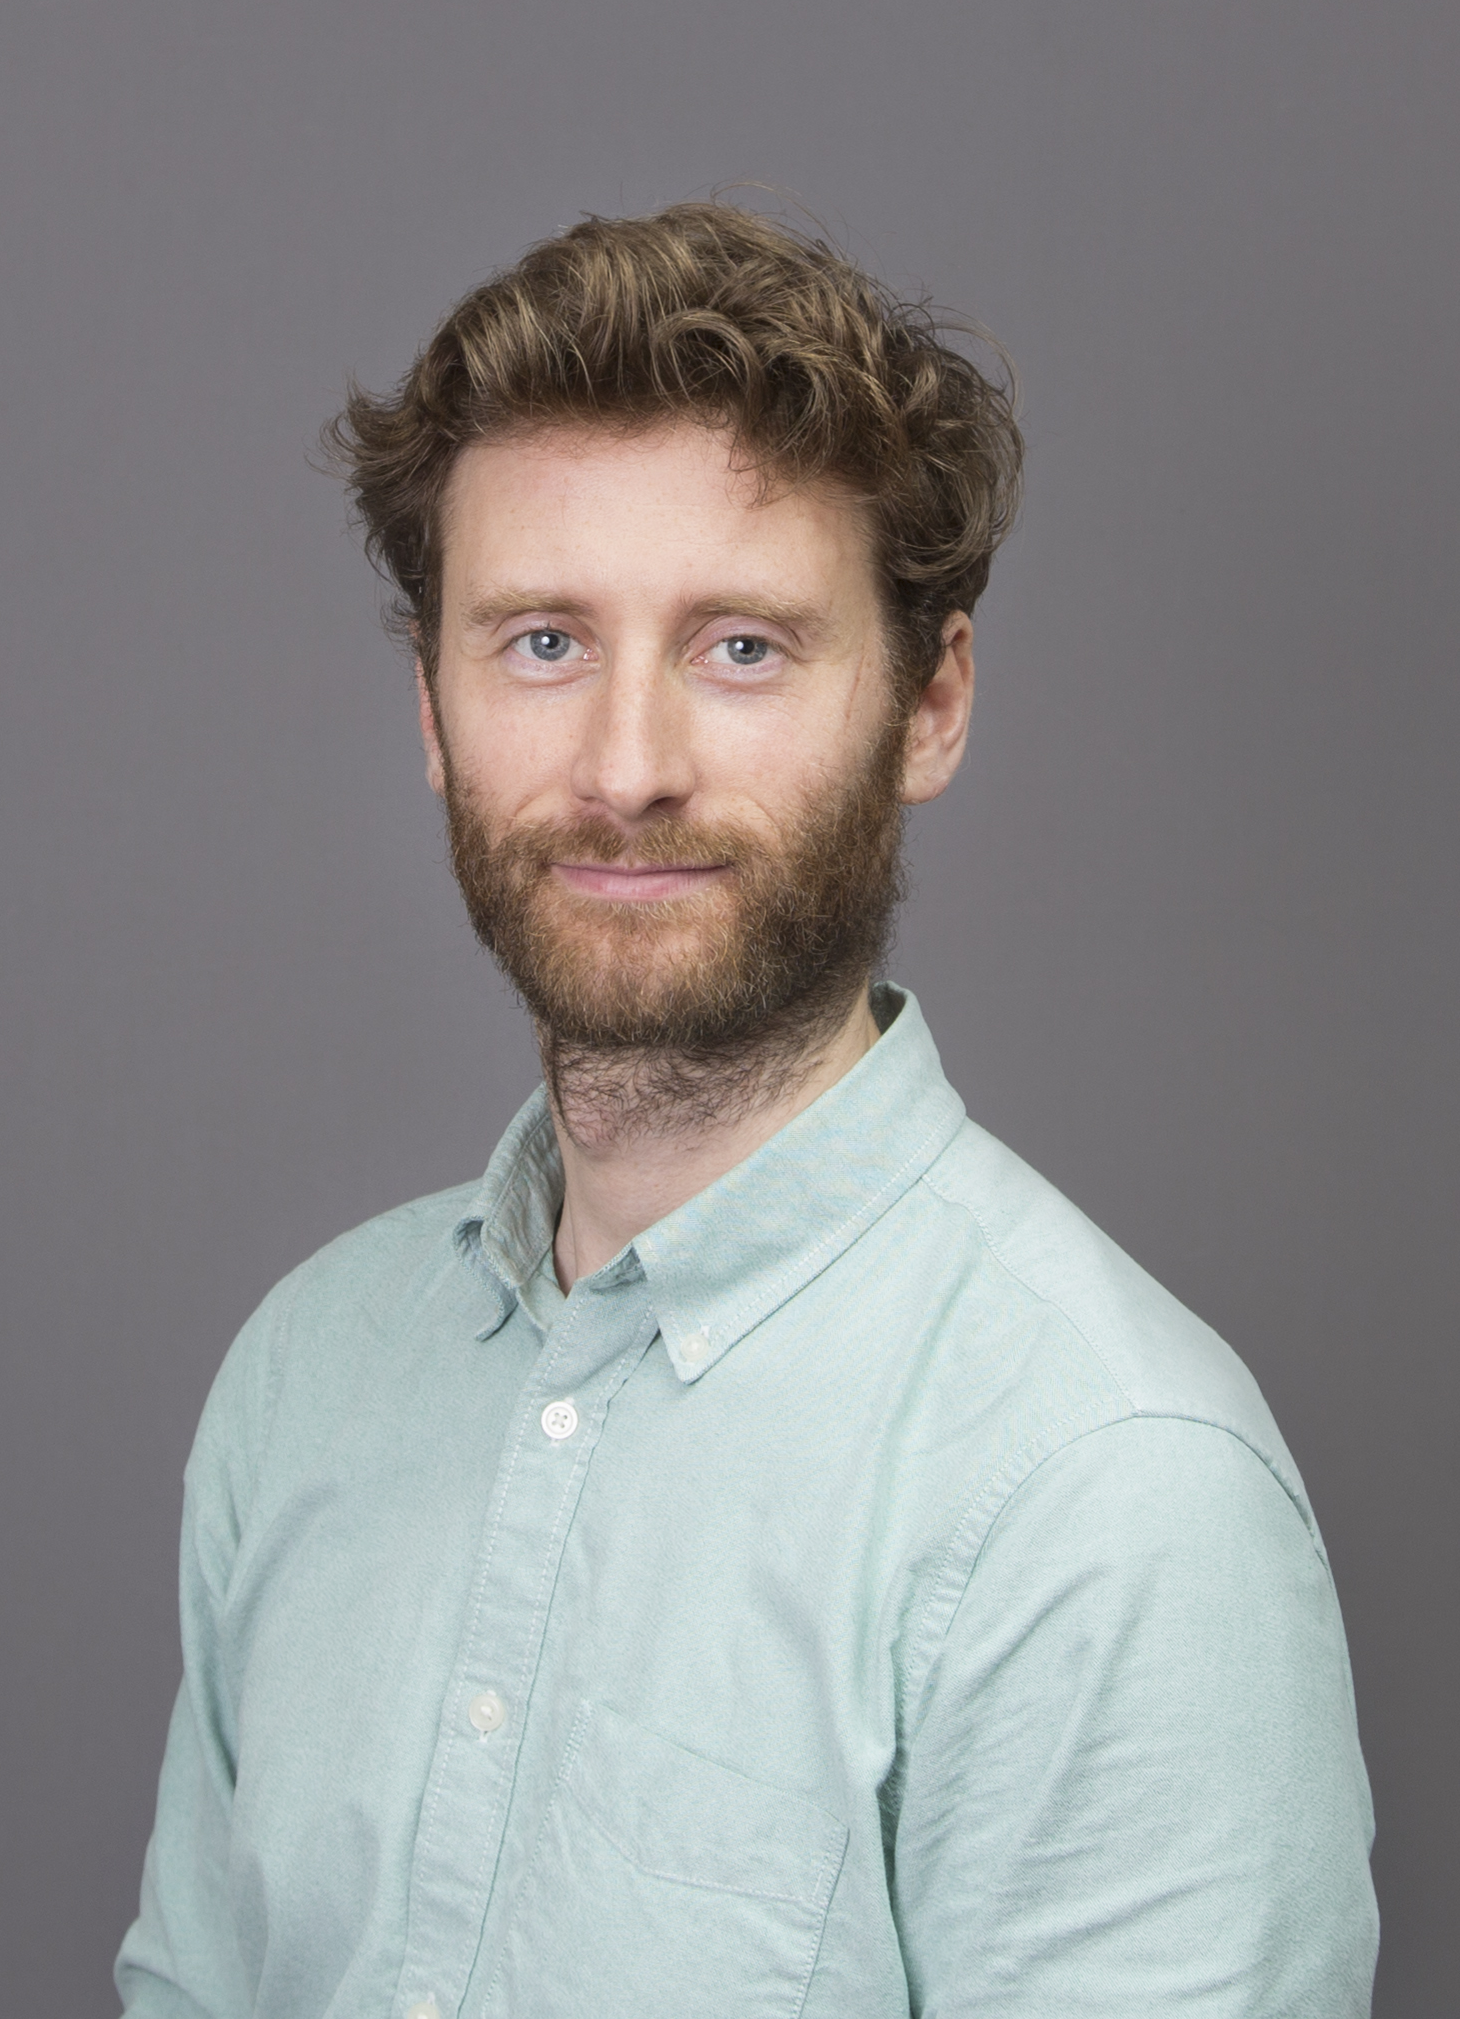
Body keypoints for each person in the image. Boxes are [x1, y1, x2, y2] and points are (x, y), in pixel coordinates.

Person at [116, 203, 1377, 2018]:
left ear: (928, 705)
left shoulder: (1109, 1488)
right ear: (432, 710)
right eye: (541, 644)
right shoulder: (307, 1376)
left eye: (741, 649)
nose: (627, 767)